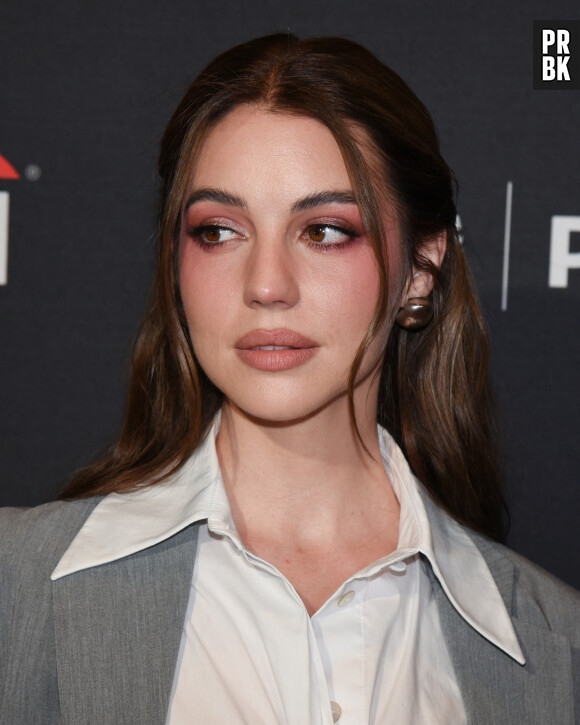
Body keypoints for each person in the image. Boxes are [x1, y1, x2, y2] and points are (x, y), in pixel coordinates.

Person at [1, 33, 578, 725]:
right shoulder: (17, 585)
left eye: (326, 230)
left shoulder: (559, 650)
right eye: (219, 231)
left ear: (420, 268)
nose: (267, 285)